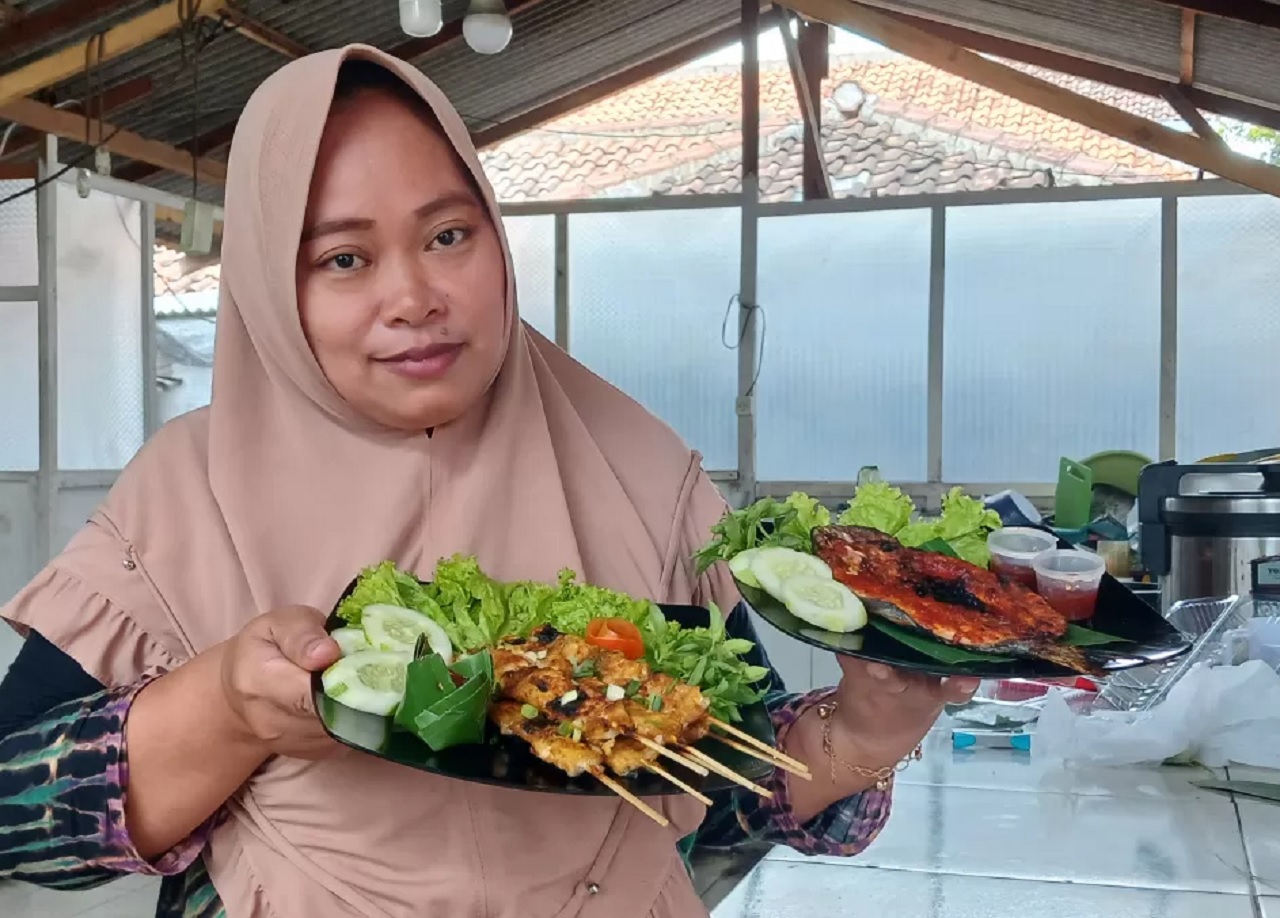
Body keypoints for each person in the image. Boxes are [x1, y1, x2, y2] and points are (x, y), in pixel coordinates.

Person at [0, 45, 976, 918]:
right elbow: (16, 817)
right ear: (269, 284)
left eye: (448, 236)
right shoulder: (186, 492)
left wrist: (866, 729)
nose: (415, 296)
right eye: (344, 257)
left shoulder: (634, 468)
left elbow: (718, 804)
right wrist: (223, 710)